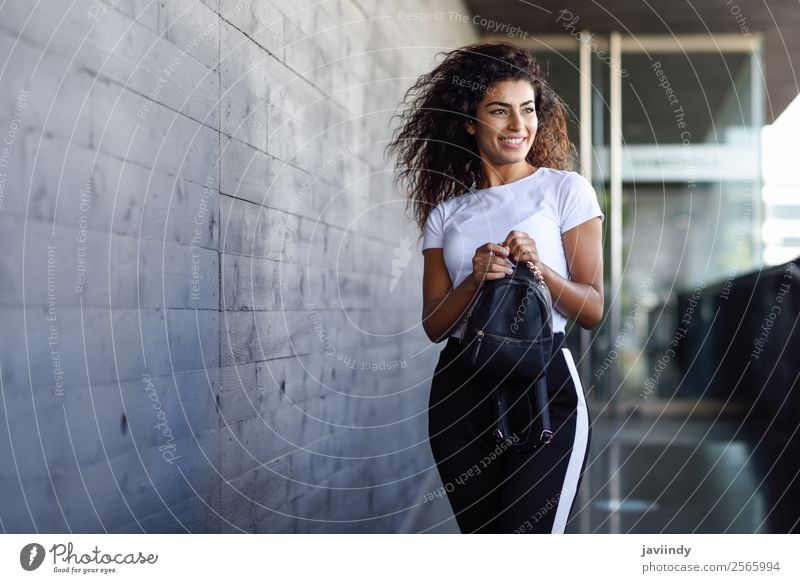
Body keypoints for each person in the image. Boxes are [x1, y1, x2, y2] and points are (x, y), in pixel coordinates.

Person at [386, 41, 605, 533]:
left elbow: (592, 309)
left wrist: (541, 268)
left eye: (527, 110)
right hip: (461, 393)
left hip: (543, 383)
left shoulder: (565, 190)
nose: (517, 126)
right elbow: (435, 324)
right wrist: (474, 279)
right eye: (499, 111)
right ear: (469, 121)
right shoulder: (446, 215)